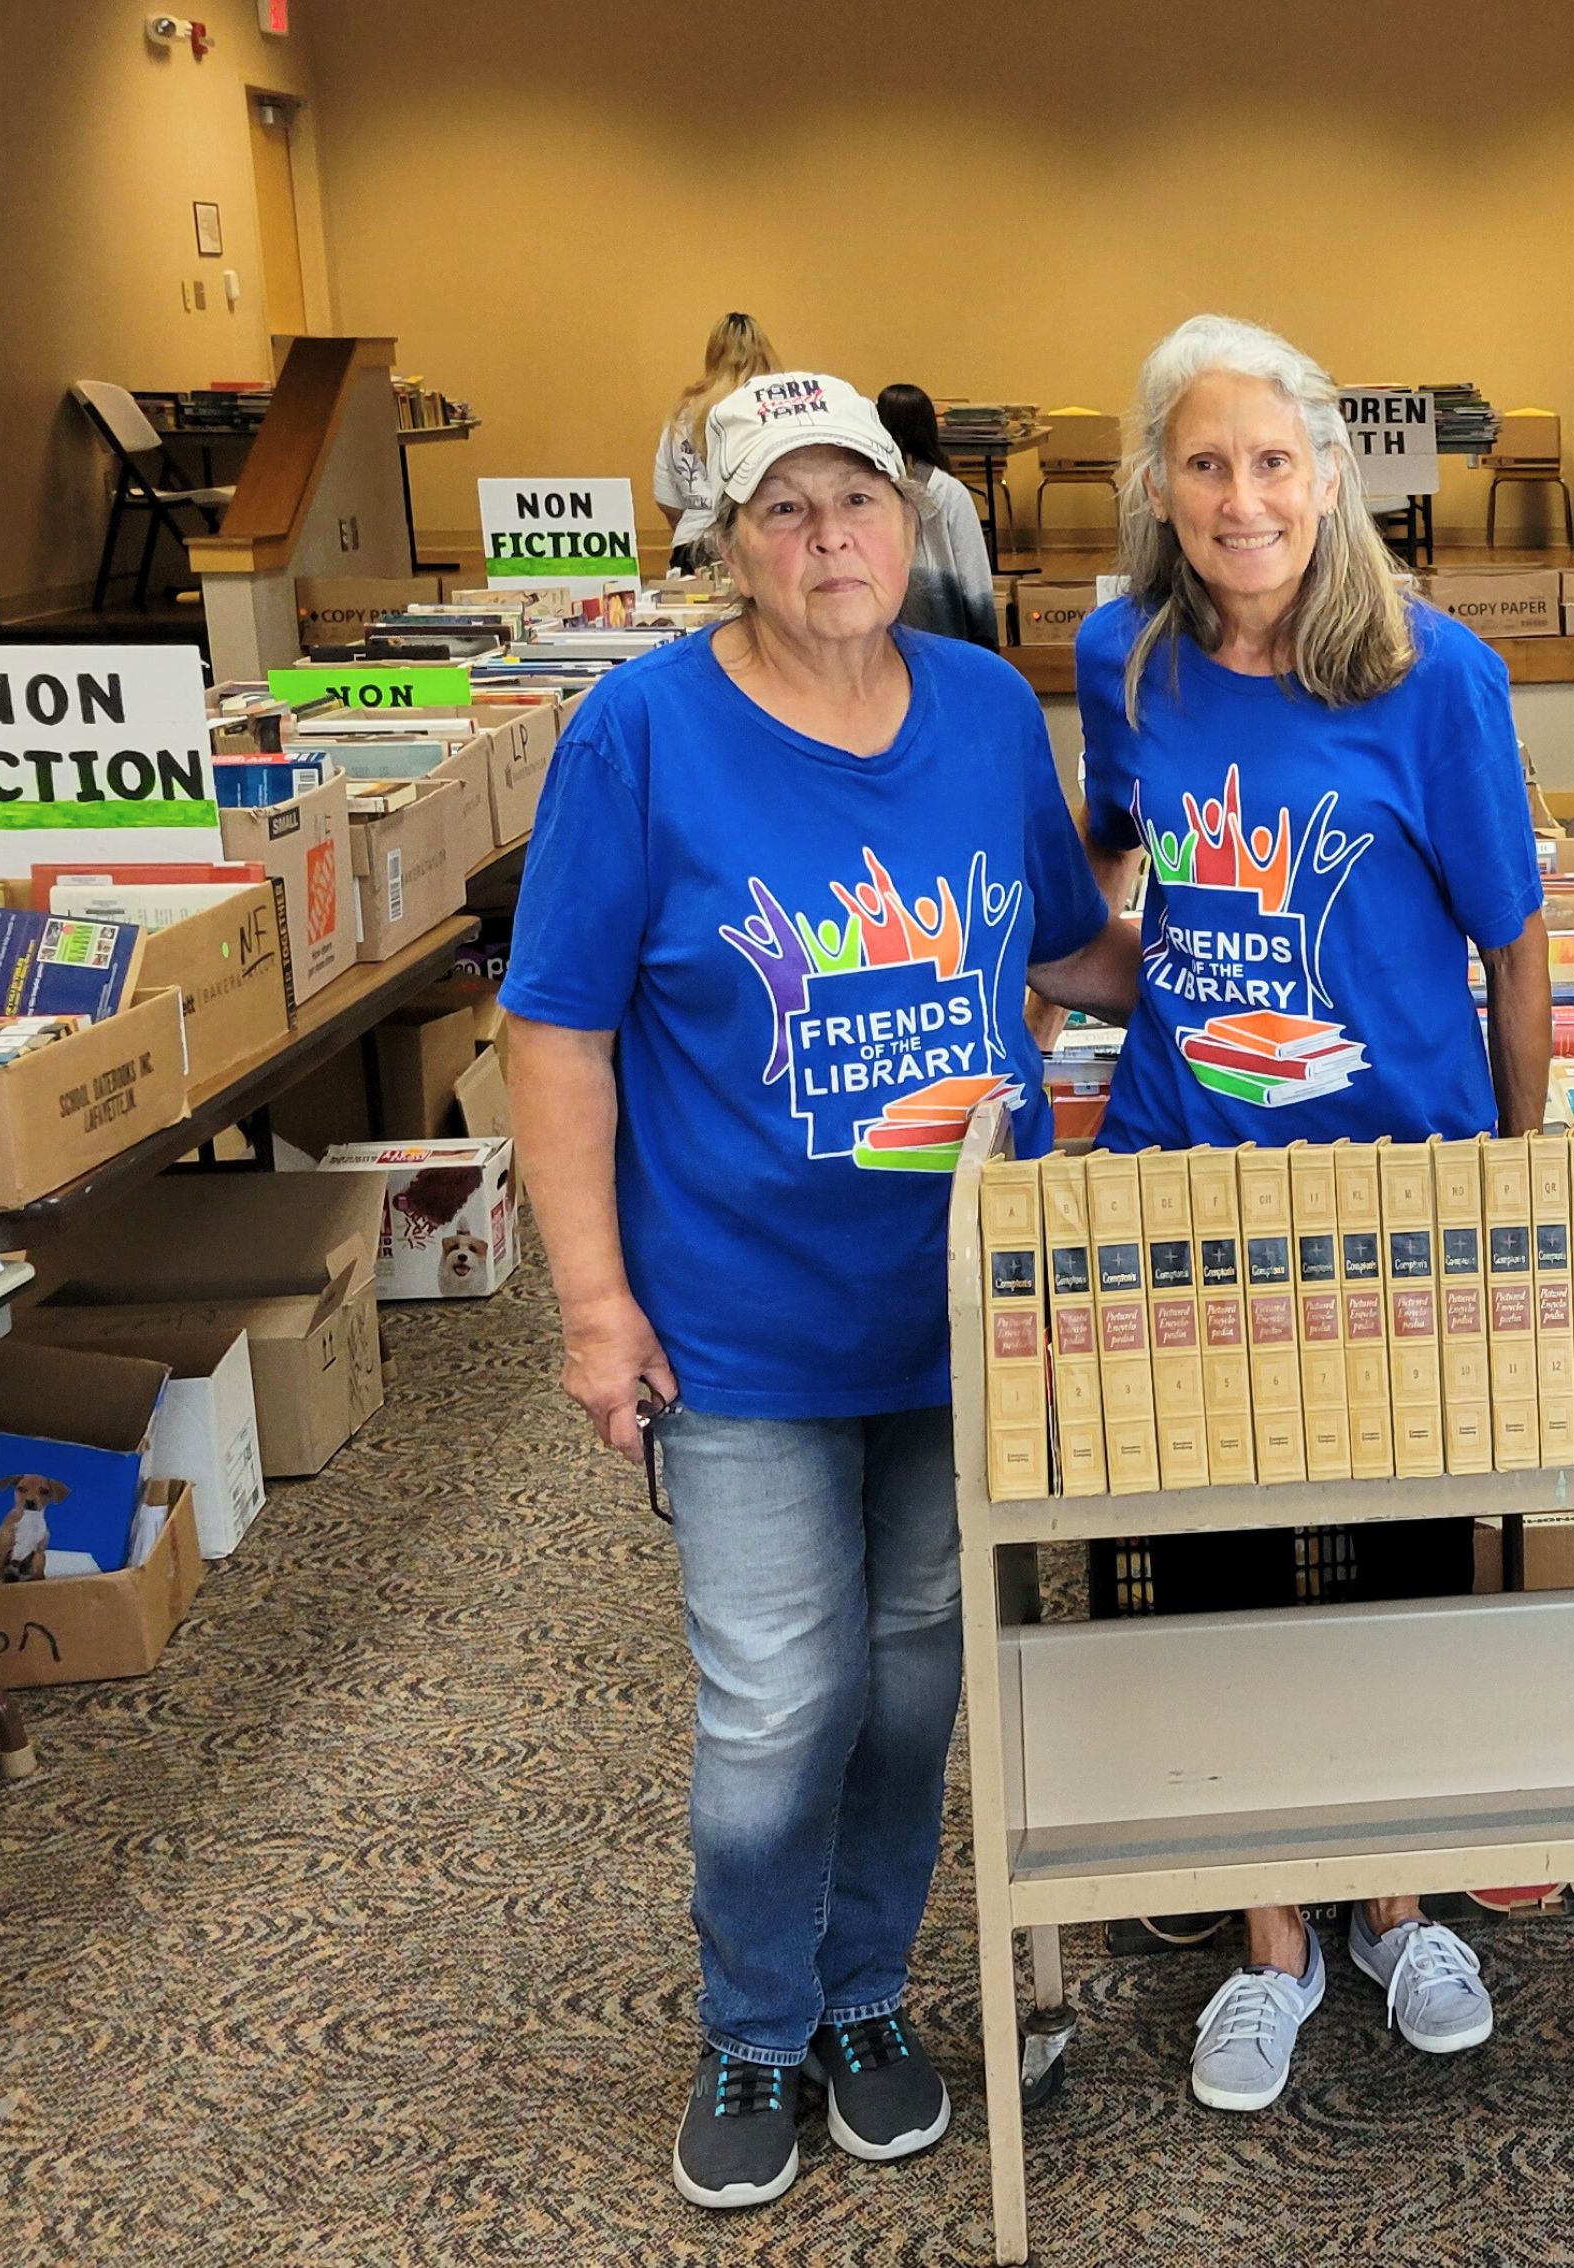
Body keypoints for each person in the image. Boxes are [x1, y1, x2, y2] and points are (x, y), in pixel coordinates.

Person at [504, 370, 1137, 2214]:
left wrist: (1277, 946)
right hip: (742, 1320)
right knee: (781, 1693)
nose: (826, 539)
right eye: (779, 511)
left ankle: (868, 1990)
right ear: (723, 544)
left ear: (910, 516)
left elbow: (1066, 943)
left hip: (954, 1303)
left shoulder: (977, 705)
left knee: (919, 1670)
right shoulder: (640, 733)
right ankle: (755, 2016)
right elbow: (555, 1032)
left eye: (853, 499)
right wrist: (591, 1303)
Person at [1072, 313, 1554, 2113]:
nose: (1241, 494)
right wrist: (1150, 985)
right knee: (1213, 1557)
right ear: (1160, 487)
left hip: (1397, 1180)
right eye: (1204, 462)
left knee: (1407, 1543)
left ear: (1332, 477)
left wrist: (1508, 1178)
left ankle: (1396, 1896)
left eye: (1274, 460)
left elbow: (1513, 942)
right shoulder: (1119, 649)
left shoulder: (1433, 675)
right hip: (1185, 1174)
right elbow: (1119, 855)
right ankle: (1273, 1930)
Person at [872, 383, 1004, 649]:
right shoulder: (950, 492)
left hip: (884, 635)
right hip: (945, 629)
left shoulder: (870, 493)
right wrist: (987, 641)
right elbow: (974, 572)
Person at [654, 313, 781, 571]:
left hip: (691, 546)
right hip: (759, 545)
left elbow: (666, 498)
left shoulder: (681, 416)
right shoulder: (774, 411)